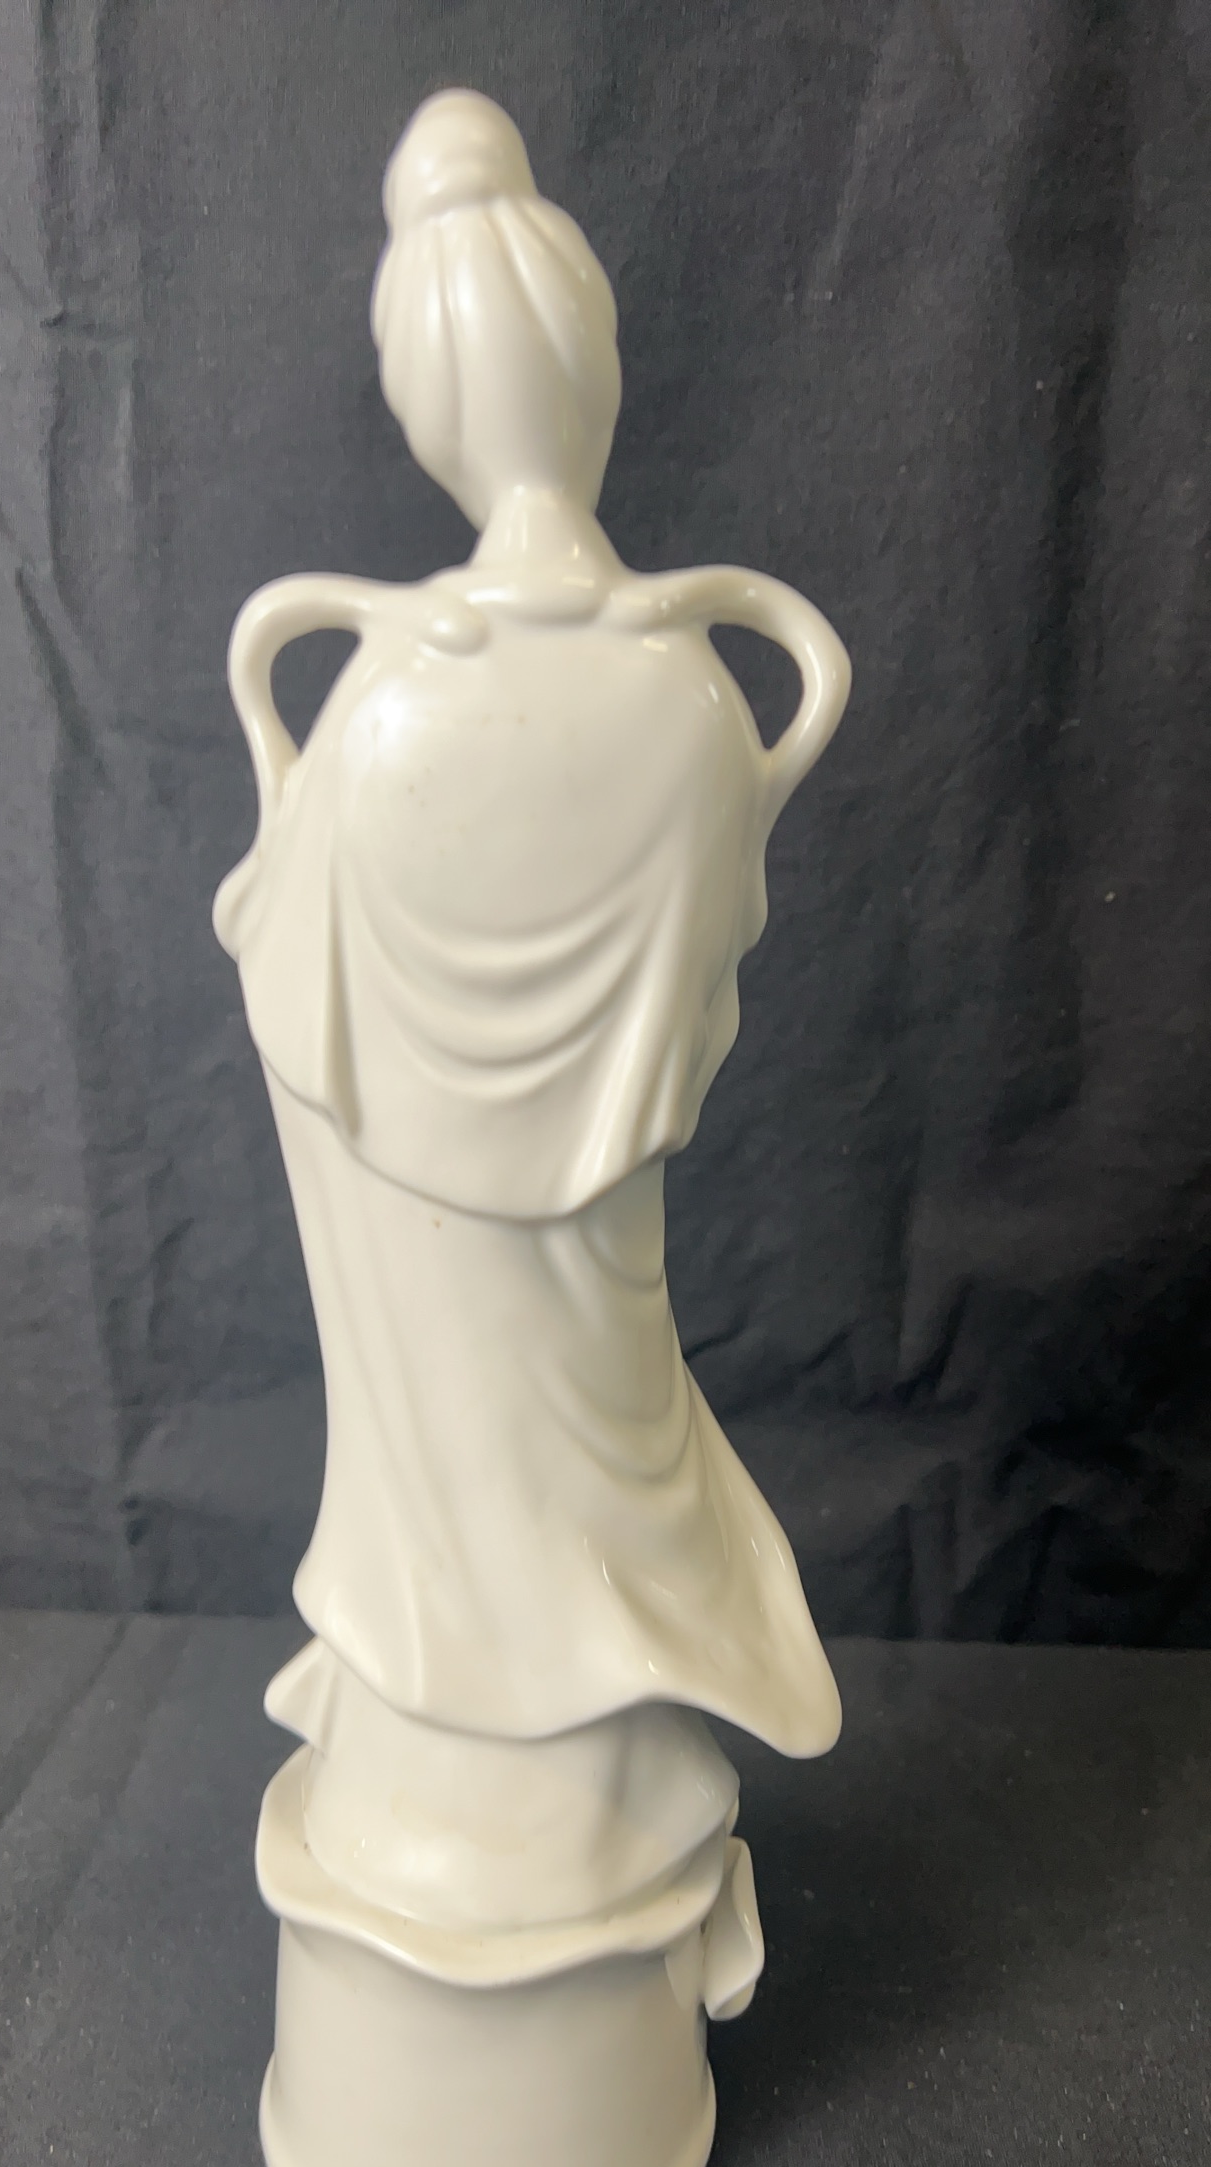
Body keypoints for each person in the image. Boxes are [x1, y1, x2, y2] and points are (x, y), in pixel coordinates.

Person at [215, 89, 849, 1798]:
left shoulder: (379, 702)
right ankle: (571, 1764)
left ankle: (476, 1738)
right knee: (587, 1423)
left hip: (429, 1314)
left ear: (425, 408)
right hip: (592, 1286)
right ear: (595, 374)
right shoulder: (697, 696)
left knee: (452, 1438)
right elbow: (684, 1024)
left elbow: (291, 1008)